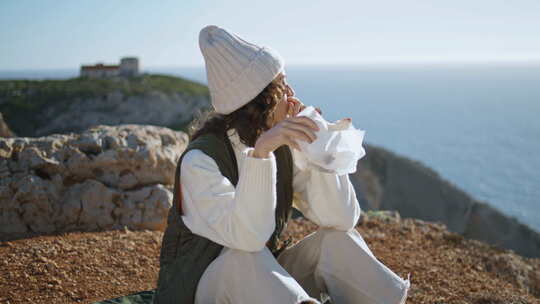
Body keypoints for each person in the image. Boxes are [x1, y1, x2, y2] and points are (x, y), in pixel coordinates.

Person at [154, 25, 410, 304]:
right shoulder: (200, 161)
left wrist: (316, 146)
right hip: (204, 290)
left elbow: (341, 218)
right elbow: (249, 238)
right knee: (243, 258)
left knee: (335, 241)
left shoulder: (282, 147)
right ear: (259, 100)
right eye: (282, 83)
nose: (291, 92)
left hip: (261, 284)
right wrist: (261, 155)